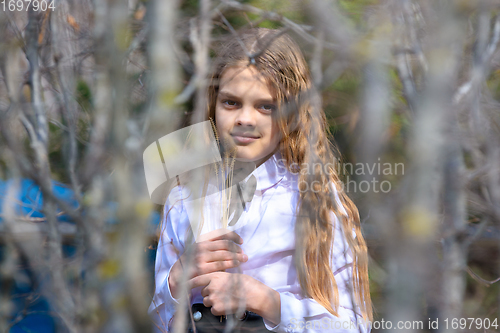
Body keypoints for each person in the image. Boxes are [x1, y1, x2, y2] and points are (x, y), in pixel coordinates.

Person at [148, 28, 373, 333]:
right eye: (231, 103)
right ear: (213, 104)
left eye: (266, 106)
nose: (245, 119)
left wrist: (268, 302)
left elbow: (354, 325)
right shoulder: (183, 198)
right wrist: (175, 282)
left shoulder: (317, 199)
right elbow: (160, 325)